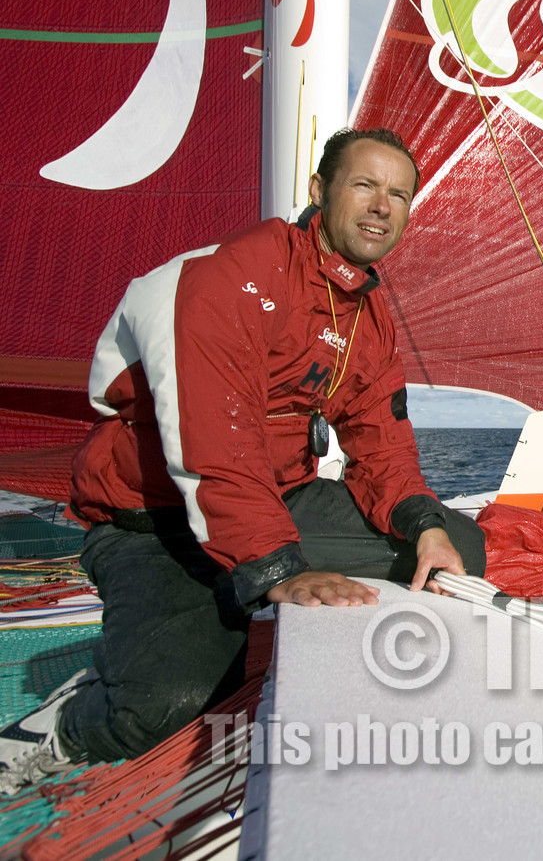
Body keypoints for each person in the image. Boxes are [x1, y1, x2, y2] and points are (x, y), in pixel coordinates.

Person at [0, 128, 486, 793]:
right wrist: (280, 571)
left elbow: (382, 443)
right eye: (364, 185)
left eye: (398, 194)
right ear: (319, 190)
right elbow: (215, 445)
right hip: (157, 524)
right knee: (168, 705)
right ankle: (62, 723)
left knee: (453, 547)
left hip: (277, 501)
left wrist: (424, 522)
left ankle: (256, 603)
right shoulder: (228, 279)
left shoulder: (366, 317)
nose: (382, 205)